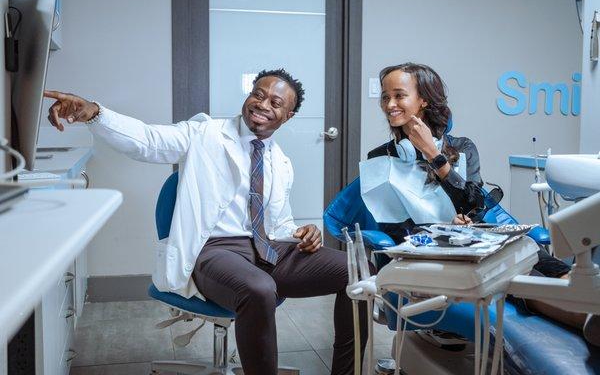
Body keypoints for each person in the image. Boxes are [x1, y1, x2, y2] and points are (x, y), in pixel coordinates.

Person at [44, 68, 369, 375]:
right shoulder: (204, 133)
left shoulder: (281, 162)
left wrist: (302, 232)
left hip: (270, 249)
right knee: (259, 288)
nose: (263, 104)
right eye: (258, 94)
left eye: (276, 102)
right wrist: (94, 113)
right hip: (214, 252)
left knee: (356, 271)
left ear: (288, 115)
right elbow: (148, 140)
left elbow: (279, 223)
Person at [366, 62, 599, 347]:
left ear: (424, 99)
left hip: (474, 237)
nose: (390, 104)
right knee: (510, 271)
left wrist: (433, 154)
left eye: (399, 95)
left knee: (528, 250)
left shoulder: (462, 148)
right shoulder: (380, 158)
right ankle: (585, 318)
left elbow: (475, 203)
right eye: (385, 97)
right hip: (428, 249)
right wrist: (440, 230)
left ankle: (587, 303)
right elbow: (392, 225)